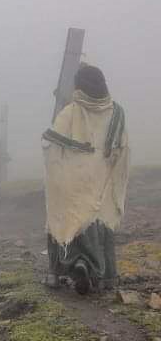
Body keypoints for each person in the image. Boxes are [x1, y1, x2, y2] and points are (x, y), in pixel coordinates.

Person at [42, 64, 129, 295]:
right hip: (102, 181)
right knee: (101, 222)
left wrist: (60, 173)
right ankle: (106, 277)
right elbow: (123, 149)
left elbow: (51, 144)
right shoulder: (116, 113)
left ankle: (59, 272)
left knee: (62, 219)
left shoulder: (70, 112)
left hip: (72, 181)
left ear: (79, 85)